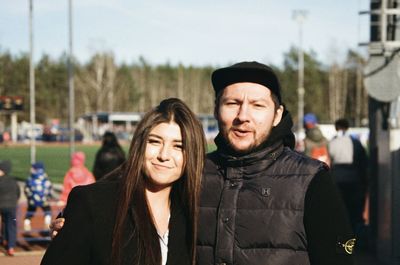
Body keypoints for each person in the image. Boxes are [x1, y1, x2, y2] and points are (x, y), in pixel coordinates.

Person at [51, 62, 355, 265]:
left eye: (258, 105)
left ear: (277, 115)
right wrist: (76, 218)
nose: (243, 115)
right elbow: (128, 188)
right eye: (232, 103)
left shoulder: (311, 180)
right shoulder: (194, 173)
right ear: (217, 110)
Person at [41, 98, 206, 265]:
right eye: (155, 141)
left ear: (192, 155)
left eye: (178, 146)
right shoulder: (92, 202)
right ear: (140, 144)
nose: (164, 155)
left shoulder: (194, 212)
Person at [328, 118, 368, 233]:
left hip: (337, 178)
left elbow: (330, 159)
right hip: (353, 178)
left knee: (340, 208)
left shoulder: (332, 142)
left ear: (336, 128)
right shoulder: (355, 142)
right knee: (354, 209)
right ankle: (355, 234)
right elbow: (363, 161)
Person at [24, 162, 53, 231]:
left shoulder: (30, 178)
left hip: (32, 200)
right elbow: (49, 188)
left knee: (30, 210)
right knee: (47, 210)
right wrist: (48, 196)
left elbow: (26, 189)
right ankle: (47, 223)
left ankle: (27, 222)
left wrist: (29, 197)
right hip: (44, 199)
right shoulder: (45, 178)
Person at [0, 160, 20, 256]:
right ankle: (11, 247)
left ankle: (4, 241)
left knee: (4, 223)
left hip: (2, 206)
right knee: (11, 225)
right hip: (12, 206)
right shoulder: (13, 180)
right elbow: (18, 193)